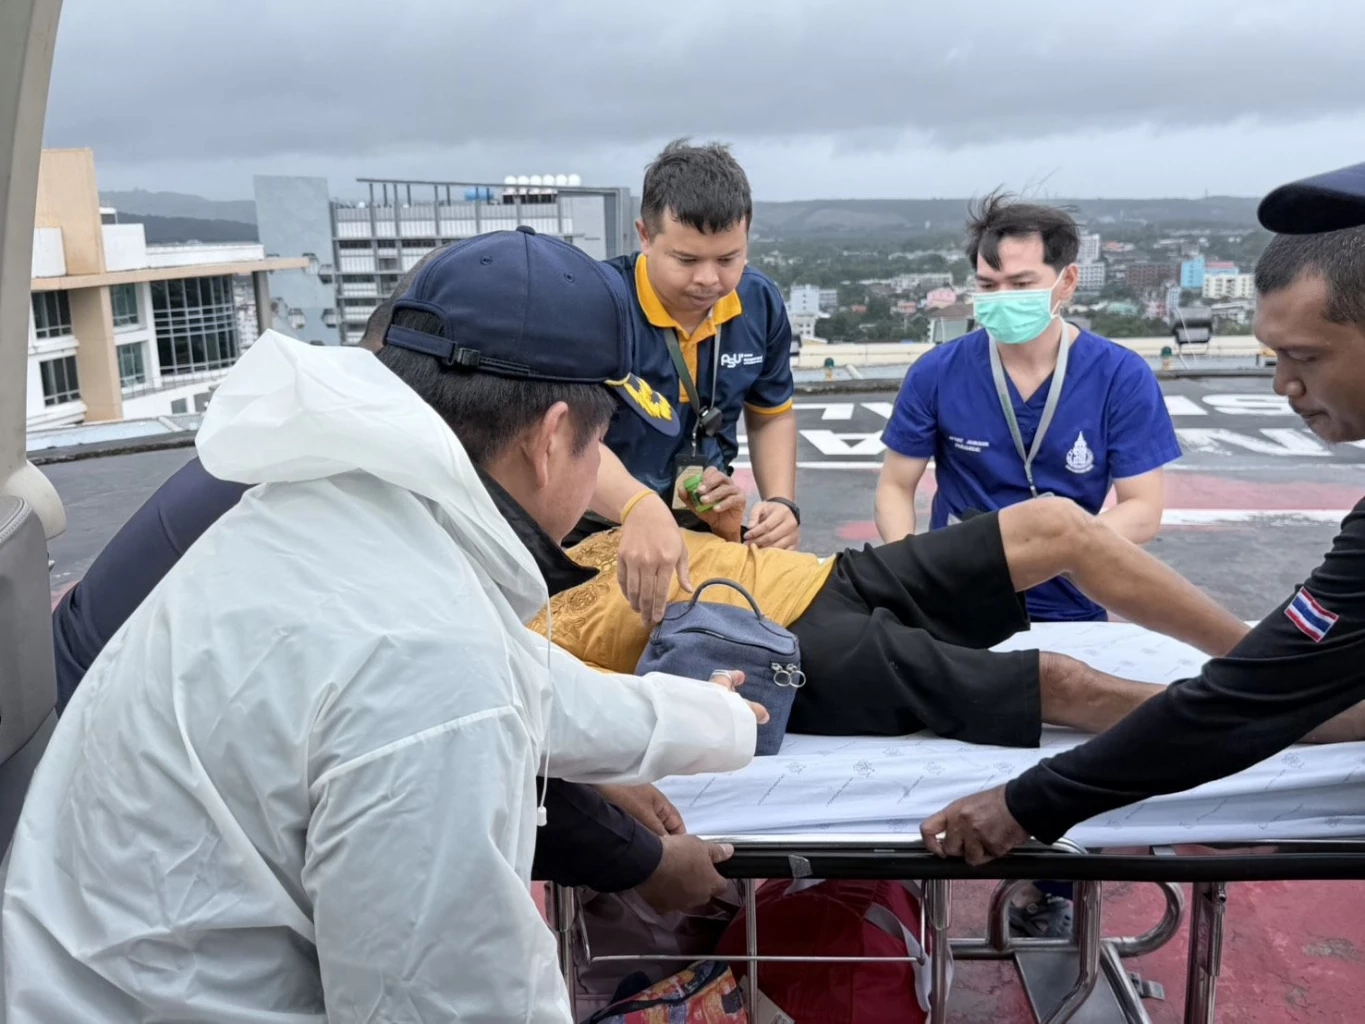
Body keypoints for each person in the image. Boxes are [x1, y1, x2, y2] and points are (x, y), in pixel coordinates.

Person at [2, 228, 764, 1022]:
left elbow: (524, 681)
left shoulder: (323, 515)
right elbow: (446, 999)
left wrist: (713, 720)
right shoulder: (423, 651)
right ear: (548, 441)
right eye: (598, 445)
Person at [921, 162, 1365, 868]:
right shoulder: (941, 371)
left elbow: (1248, 698)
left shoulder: (1112, 374)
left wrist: (1025, 803)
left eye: (1304, 356)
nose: (1283, 383)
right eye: (1273, 356)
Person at [537, 473, 1255, 748]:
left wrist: (716, 518)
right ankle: (1276, 718)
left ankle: (1258, 660)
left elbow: (699, 554)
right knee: (1061, 681)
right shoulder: (524, 634)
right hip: (793, 654)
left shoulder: (595, 528)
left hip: (825, 575)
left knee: (1056, 524)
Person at [876, 193, 1181, 624]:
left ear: (1067, 282)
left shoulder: (1120, 376)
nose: (1002, 298)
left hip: (1072, 600)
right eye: (987, 285)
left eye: (1021, 285)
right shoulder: (937, 372)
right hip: (956, 598)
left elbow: (1143, 509)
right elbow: (895, 486)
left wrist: (1053, 550)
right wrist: (913, 572)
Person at [582, 139, 801, 626]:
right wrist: (637, 506)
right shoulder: (598, 304)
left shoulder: (760, 303)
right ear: (644, 234)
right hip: (598, 523)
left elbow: (771, 416)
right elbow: (568, 438)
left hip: (705, 518)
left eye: (729, 259)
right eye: (686, 260)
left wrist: (781, 503)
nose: (709, 280)